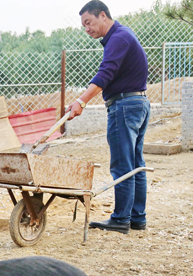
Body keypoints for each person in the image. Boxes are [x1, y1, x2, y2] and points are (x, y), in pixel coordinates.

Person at [67, 0, 150, 234]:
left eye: (89, 23)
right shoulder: (122, 35)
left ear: (102, 15)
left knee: (123, 165)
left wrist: (81, 101)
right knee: (135, 165)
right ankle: (137, 218)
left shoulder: (118, 38)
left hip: (125, 105)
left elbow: (105, 73)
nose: (87, 29)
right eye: (83, 26)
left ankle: (122, 218)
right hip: (138, 102)